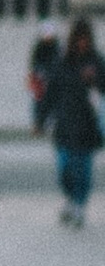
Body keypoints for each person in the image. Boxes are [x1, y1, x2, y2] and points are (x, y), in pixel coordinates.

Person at [39, 17, 101, 229]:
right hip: (65, 123)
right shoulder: (62, 62)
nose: (82, 43)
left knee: (82, 168)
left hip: (86, 124)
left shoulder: (96, 62)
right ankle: (69, 200)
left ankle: (79, 205)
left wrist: (94, 82)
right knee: (65, 168)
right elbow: (50, 93)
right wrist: (41, 119)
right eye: (79, 39)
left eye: (86, 39)